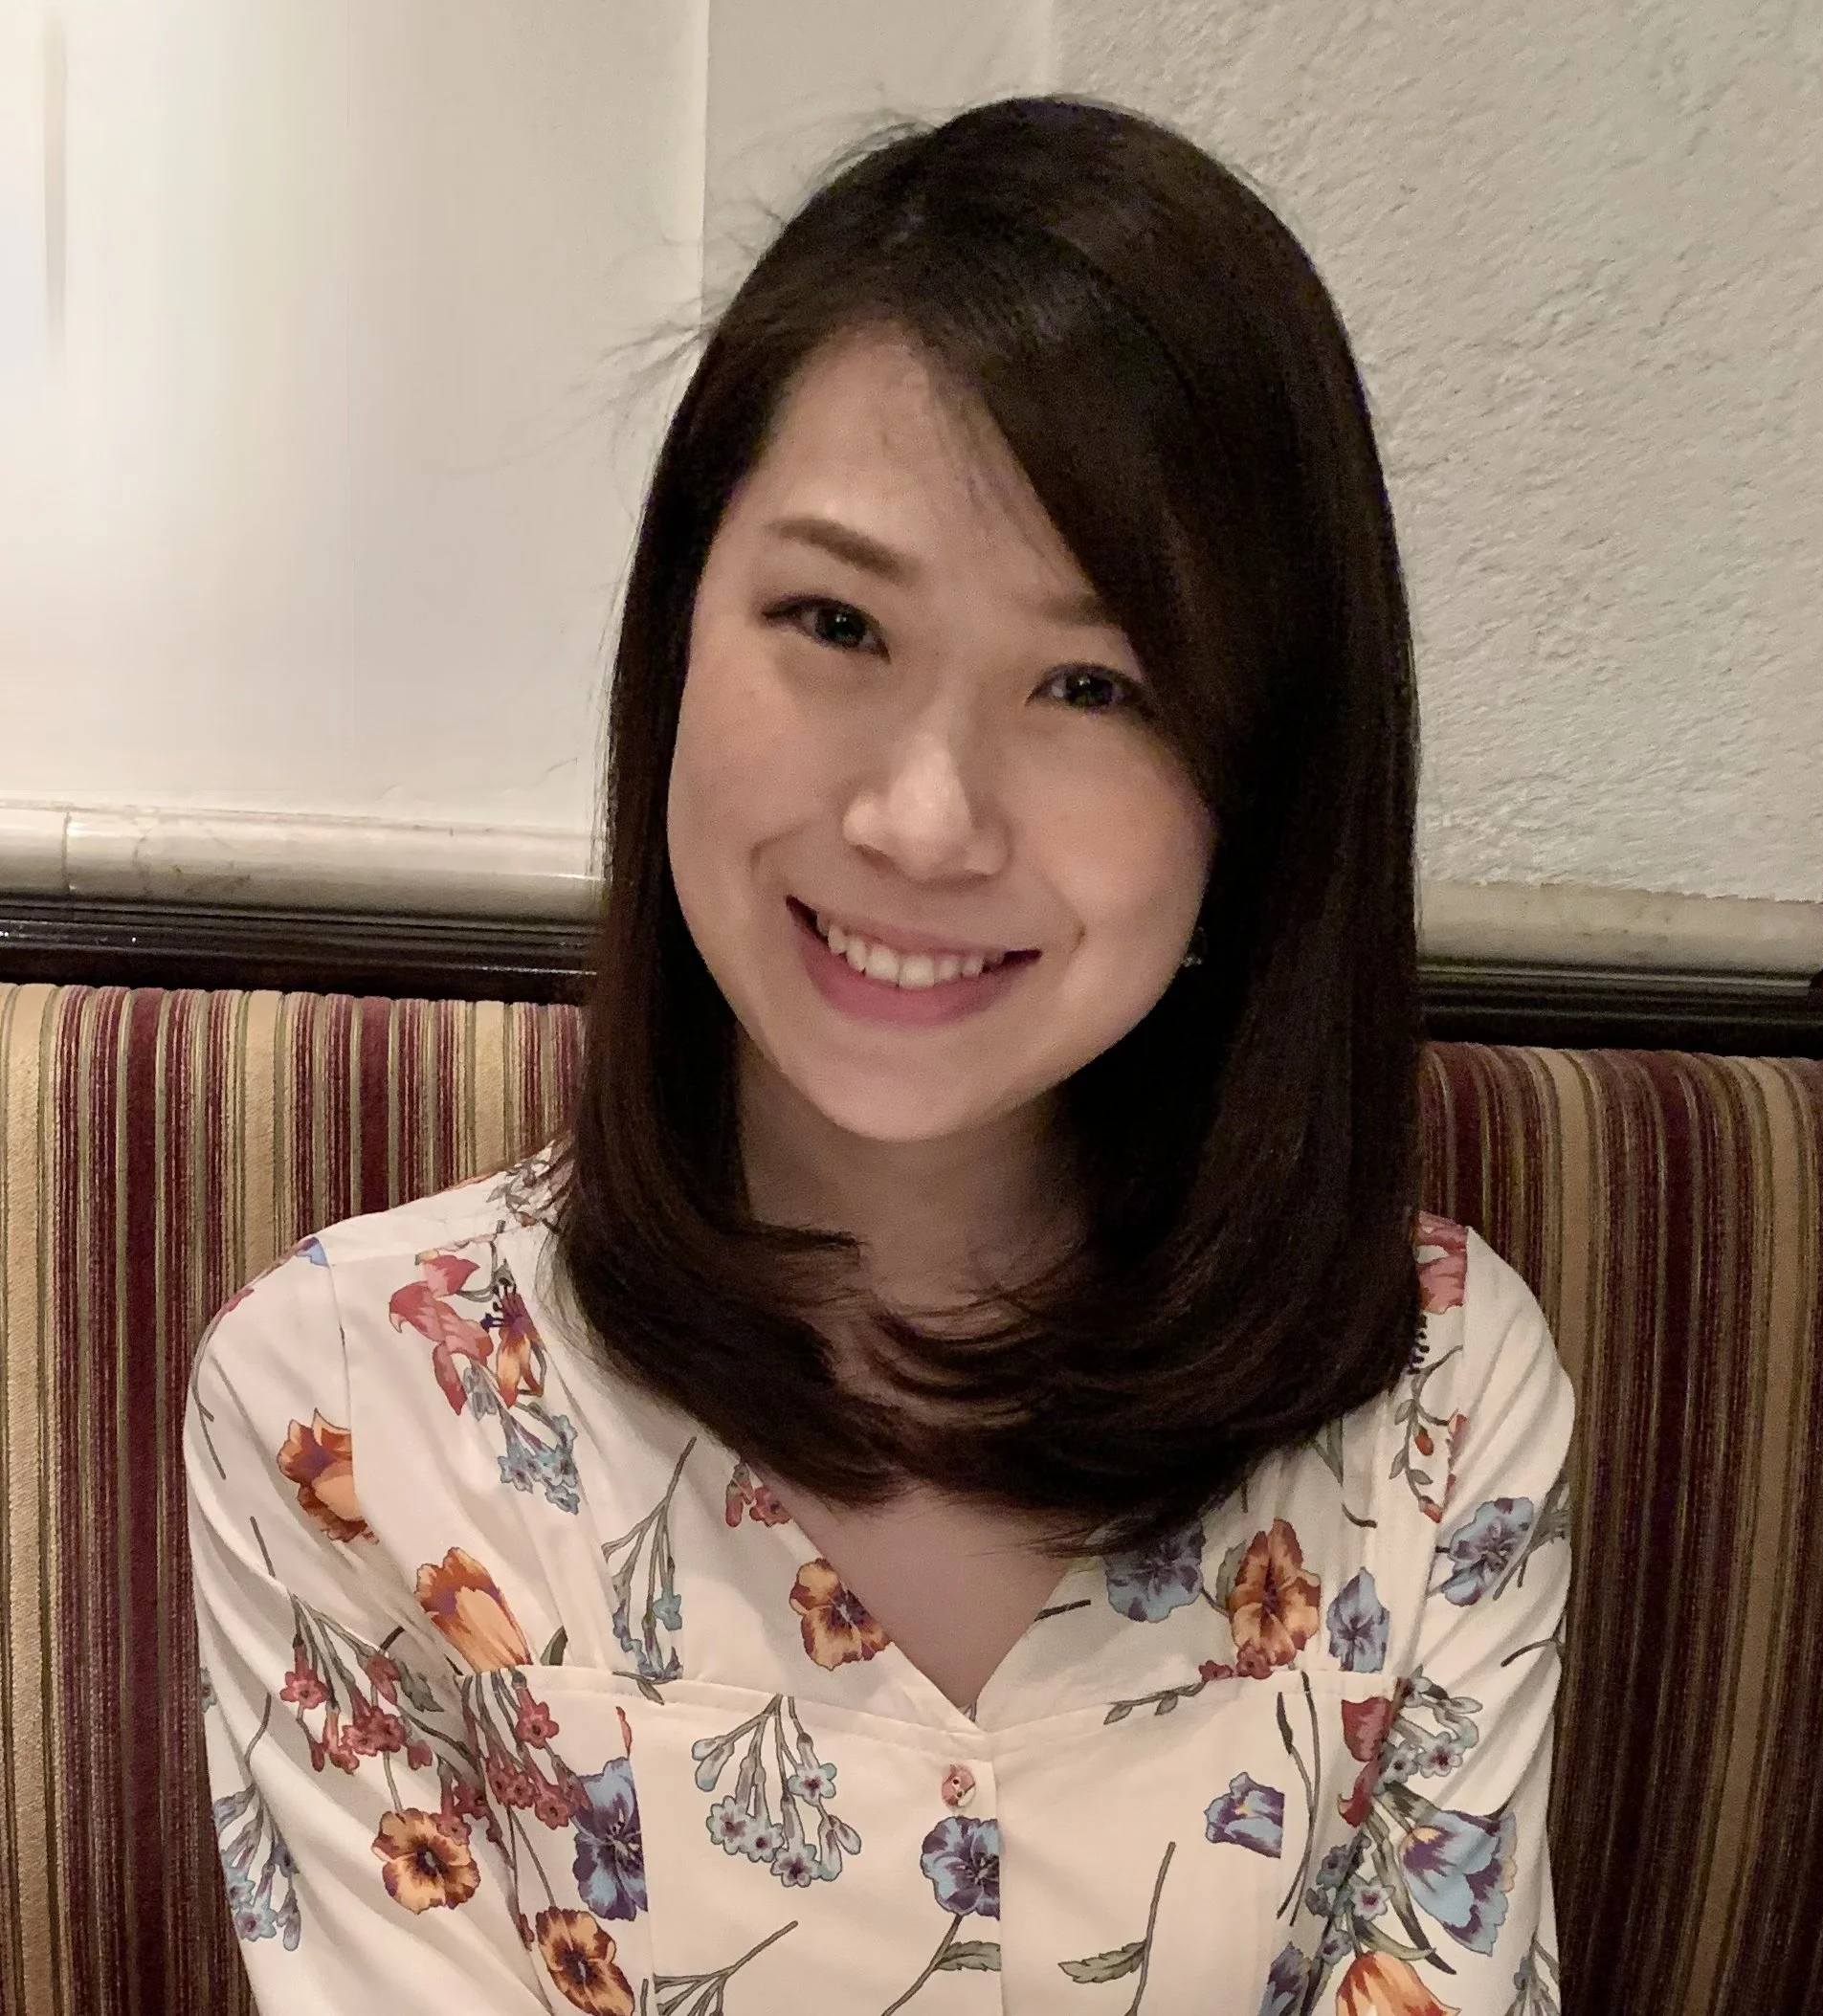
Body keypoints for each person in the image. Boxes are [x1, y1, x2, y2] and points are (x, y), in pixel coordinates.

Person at [187, 95, 1572, 2016]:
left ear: (1262, 779)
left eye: (1094, 683)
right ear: (676, 642)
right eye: (835, 620)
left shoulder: (1433, 1405)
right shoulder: (343, 1408)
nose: (925, 819)